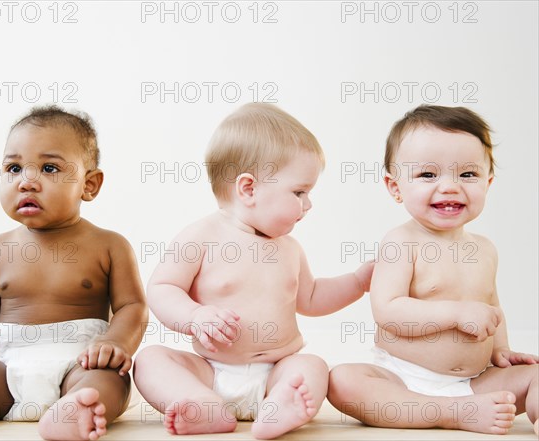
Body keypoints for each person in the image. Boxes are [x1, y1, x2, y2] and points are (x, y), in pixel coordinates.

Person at [133, 102, 374, 440]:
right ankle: (201, 403)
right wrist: (194, 316)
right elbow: (162, 287)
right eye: (299, 192)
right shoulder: (200, 236)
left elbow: (312, 297)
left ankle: (280, 408)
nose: (308, 204)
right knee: (149, 360)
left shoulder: (290, 248)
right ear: (248, 189)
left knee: (313, 366)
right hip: (209, 371)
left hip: (276, 371)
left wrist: (357, 283)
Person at [0, 105, 148, 441]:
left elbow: (132, 308)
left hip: (80, 366)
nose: (27, 182)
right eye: (14, 168)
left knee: (111, 381)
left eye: (49, 168)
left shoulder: (109, 245)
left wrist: (114, 342)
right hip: (8, 377)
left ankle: (73, 412)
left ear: (89, 185)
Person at [328, 105, 538, 436]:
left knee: (537, 375)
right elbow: (389, 311)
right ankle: (450, 413)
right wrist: (455, 313)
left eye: (467, 175)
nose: (450, 187)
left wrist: (501, 351)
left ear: (489, 182)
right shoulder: (400, 242)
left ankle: (482, 408)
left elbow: (492, 308)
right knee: (343, 381)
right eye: (428, 175)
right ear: (395, 187)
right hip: (403, 379)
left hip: (474, 381)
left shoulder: (485, 249)